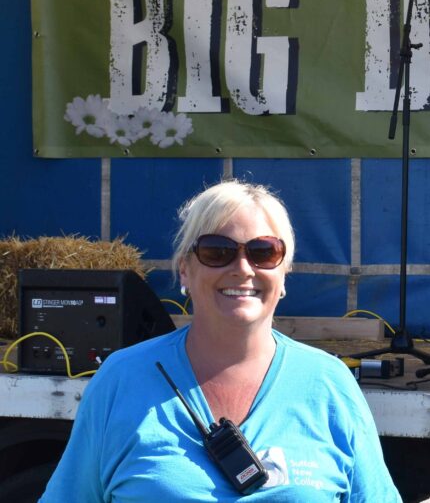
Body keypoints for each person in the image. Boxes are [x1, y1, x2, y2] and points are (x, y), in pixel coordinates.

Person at [40, 179, 402, 501]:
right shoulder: (121, 380)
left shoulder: (329, 384)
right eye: (217, 251)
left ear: (284, 272)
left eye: (264, 252)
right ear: (185, 267)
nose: (243, 268)